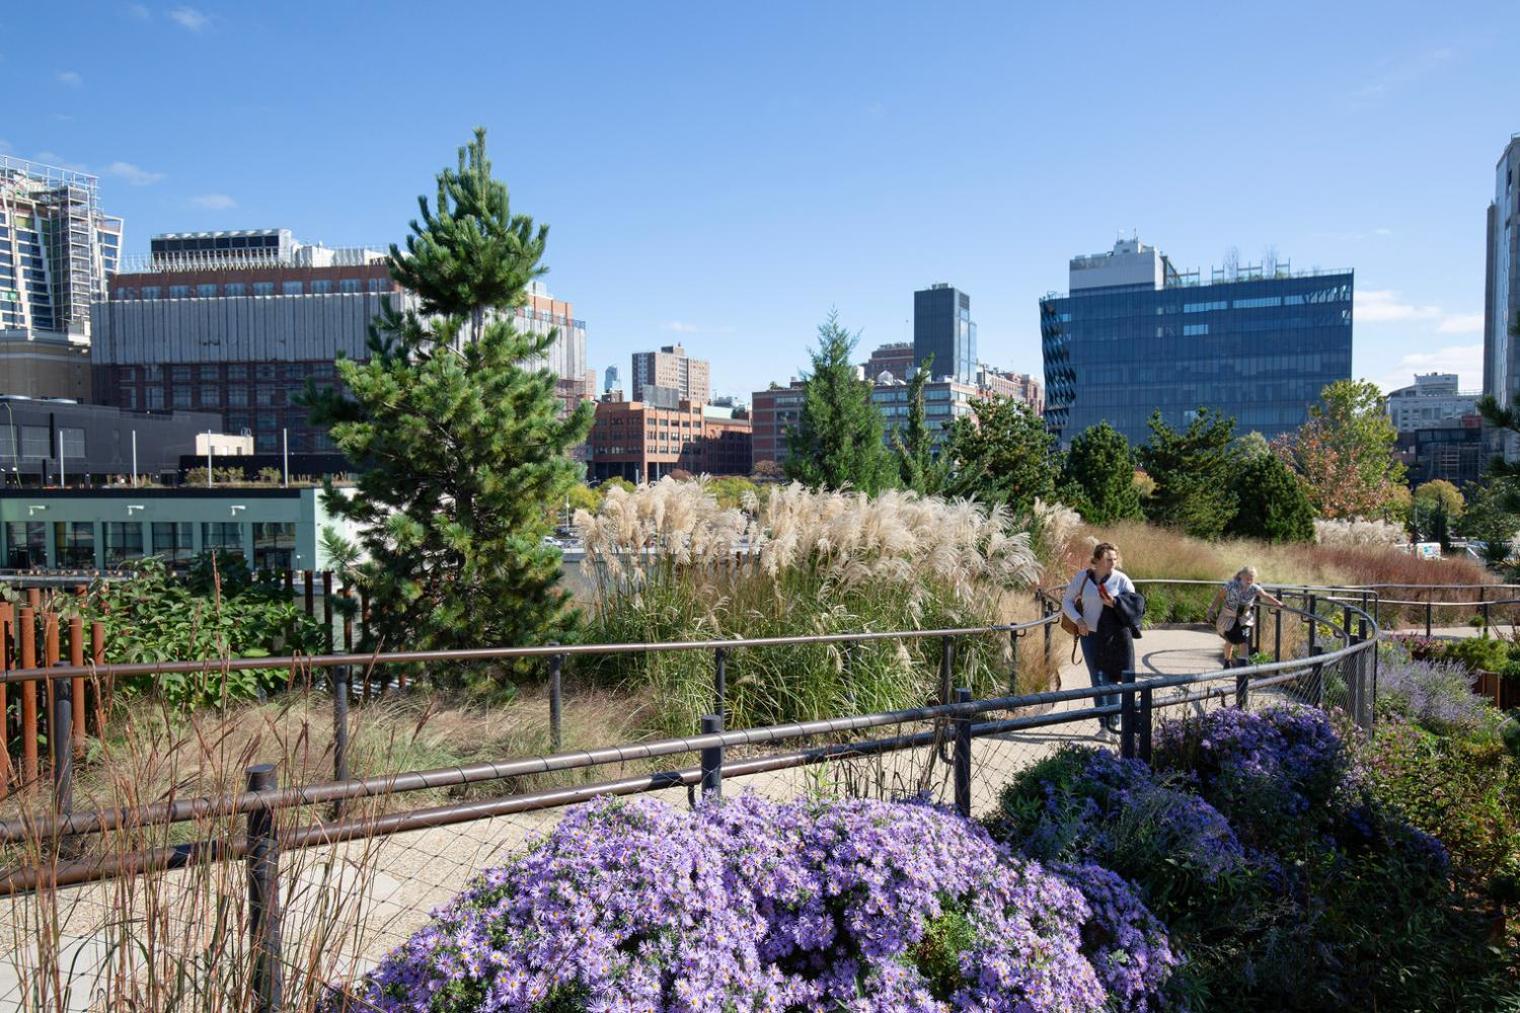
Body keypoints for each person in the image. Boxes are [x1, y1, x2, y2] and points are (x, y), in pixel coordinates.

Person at [1062, 542, 1138, 736]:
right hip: (1090, 637)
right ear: (1096, 560)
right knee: (1097, 681)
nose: (1112, 563)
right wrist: (1078, 620)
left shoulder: (1121, 580)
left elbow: (1135, 606)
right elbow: (1066, 601)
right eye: (1108, 559)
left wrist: (1114, 603)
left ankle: (1115, 723)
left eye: (1114, 559)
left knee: (1112, 679)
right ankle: (1104, 726)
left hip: (1114, 637)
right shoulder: (1082, 578)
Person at [1206, 566, 1283, 667]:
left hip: (1244, 619)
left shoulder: (1254, 588)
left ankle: (1243, 671)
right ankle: (1227, 662)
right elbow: (1219, 596)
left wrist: (1278, 603)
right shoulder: (1230, 586)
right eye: (1247, 578)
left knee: (1244, 643)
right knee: (1230, 642)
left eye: (1252, 578)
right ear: (1241, 576)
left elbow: (1265, 596)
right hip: (1229, 618)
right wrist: (1211, 610)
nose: (1249, 580)